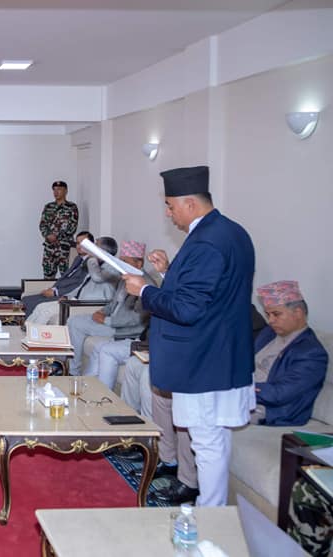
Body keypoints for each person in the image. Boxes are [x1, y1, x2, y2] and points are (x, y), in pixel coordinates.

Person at [122, 165, 255, 507]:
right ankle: (212, 510)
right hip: (220, 352)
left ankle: (210, 515)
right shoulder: (230, 232)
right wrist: (168, 272)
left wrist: (145, 290)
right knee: (214, 440)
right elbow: (209, 294)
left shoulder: (207, 242)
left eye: (170, 206)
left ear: (190, 203)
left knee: (207, 442)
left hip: (203, 358)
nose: (169, 214)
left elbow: (187, 309)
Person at [67, 240, 152, 383]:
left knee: (99, 346)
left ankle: (78, 377)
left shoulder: (145, 285)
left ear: (139, 264)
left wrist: (107, 320)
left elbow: (137, 318)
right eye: (121, 261)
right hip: (112, 320)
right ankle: (78, 378)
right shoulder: (126, 277)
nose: (121, 265)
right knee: (74, 321)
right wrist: (102, 311)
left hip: (124, 330)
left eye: (126, 262)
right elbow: (114, 302)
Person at [250, 280, 328, 426]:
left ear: (298, 313)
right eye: (268, 314)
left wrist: (239, 389)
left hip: (269, 410)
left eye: (276, 314)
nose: (270, 320)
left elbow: (279, 394)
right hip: (245, 398)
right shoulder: (268, 334)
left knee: (207, 416)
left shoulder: (311, 353)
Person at [26, 236, 119, 325]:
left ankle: (35, 334)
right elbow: (81, 287)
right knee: (40, 307)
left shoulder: (111, 271)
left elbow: (110, 298)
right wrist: (67, 297)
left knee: (46, 311)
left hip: (84, 305)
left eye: (95, 245)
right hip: (74, 300)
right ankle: (28, 331)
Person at [21, 231, 93, 316]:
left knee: (32, 303)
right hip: (58, 290)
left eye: (83, 243)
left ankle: (28, 324)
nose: (79, 246)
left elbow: (79, 285)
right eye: (77, 243)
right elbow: (66, 278)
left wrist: (56, 292)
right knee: (26, 299)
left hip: (65, 296)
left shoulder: (91, 263)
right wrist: (53, 289)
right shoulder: (78, 258)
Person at [39, 180, 78, 279]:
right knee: (48, 276)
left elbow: (72, 227)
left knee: (67, 276)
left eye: (59, 189)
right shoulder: (48, 207)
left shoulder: (72, 207)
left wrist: (57, 236)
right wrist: (48, 235)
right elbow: (42, 225)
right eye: (54, 190)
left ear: (65, 191)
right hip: (49, 248)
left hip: (64, 248)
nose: (56, 192)